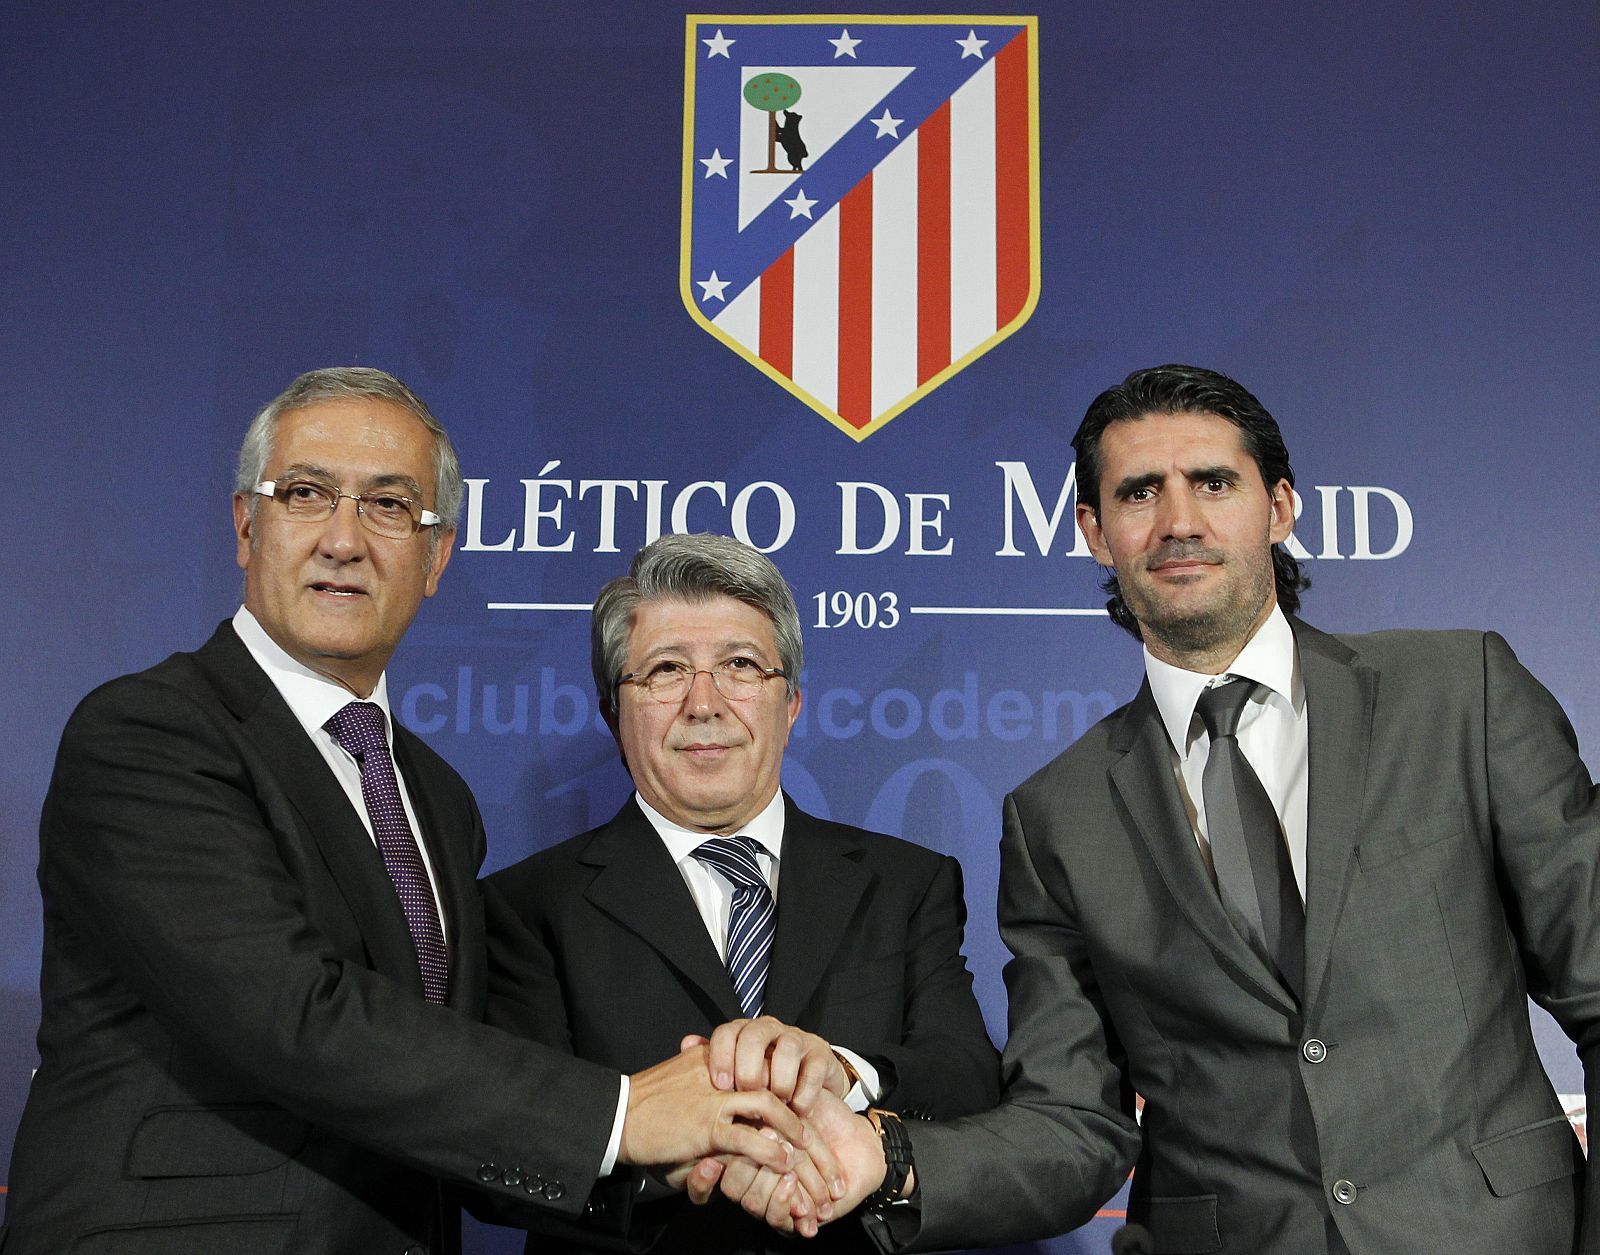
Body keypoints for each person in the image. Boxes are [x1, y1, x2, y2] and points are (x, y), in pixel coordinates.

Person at [742, 363, 1600, 1255]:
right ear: (1094, 532)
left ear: (1280, 508)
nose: (1178, 520)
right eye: (1139, 491)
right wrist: (890, 1159)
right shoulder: (1055, 816)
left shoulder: (1462, 691)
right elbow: (1074, 1122)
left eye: (1214, 483)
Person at [2, 369, 824, 1255]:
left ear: (436, 558)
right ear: (247, 525)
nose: (344, 539)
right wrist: (624, 1114)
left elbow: (439, 1069)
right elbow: (290, 1015)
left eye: (391, 505)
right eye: (307, 493)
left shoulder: (433, 794)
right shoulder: (150, 733)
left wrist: (656, 1165)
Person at [482, 532, 1000, 1254]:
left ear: (790, 703)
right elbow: (501, 1149)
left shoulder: (906, 883)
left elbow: (969, 1079)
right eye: (665, 669)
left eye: (740, 665)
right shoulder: (526, 906)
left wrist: (845, 1073)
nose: (705, 702)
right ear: (613, 714)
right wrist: (662, 1160)